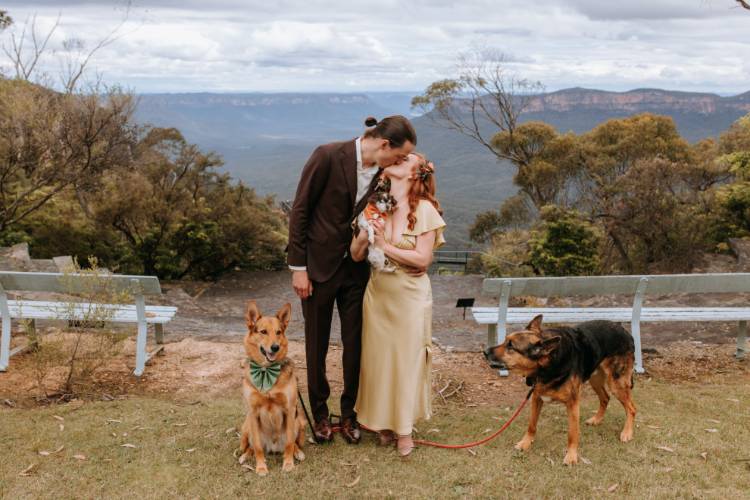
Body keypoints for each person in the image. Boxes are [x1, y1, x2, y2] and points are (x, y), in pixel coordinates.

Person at [287, 115, 417, 444]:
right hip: (317, 268)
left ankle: (349, 414)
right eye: (399, 156)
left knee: (355, 345)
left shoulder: (384, 175)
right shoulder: (328, 155)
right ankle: (319, 415)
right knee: (315, 344)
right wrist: (298, 267)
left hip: (357, 269)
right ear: (385, 144)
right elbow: (300, 210)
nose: (400, 162)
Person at [350, 152, 446, 456]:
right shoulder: (377, 205)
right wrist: (367, 235)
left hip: (410, 297)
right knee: (380, 361)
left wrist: (385, 246)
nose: (395, 158)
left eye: (405, 159)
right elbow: (355, 254)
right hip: (378, 294)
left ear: (415, 172)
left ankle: (405, 430)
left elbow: (422, 259)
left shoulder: (426, 211)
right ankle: (383, 424)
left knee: (406, 361)